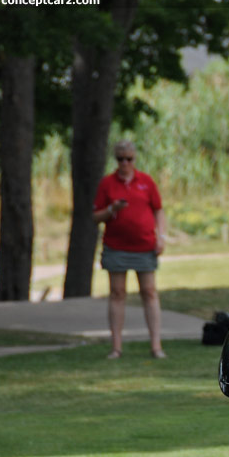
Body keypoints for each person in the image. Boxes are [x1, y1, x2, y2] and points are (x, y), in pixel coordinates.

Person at [92, 140, 167, 359]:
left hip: (144, 245)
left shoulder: (146, 181)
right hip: (116, 247)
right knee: (117, 293)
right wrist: (111, 209)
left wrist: (161, 236)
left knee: (149, 292)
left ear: (134, 159)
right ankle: (116, 347)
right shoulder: (107, 184)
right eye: (120, 159)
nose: (125, 163)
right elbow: (95, 216)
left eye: (129, 159)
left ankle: (156, 346)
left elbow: (159, 210)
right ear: (116, 160)